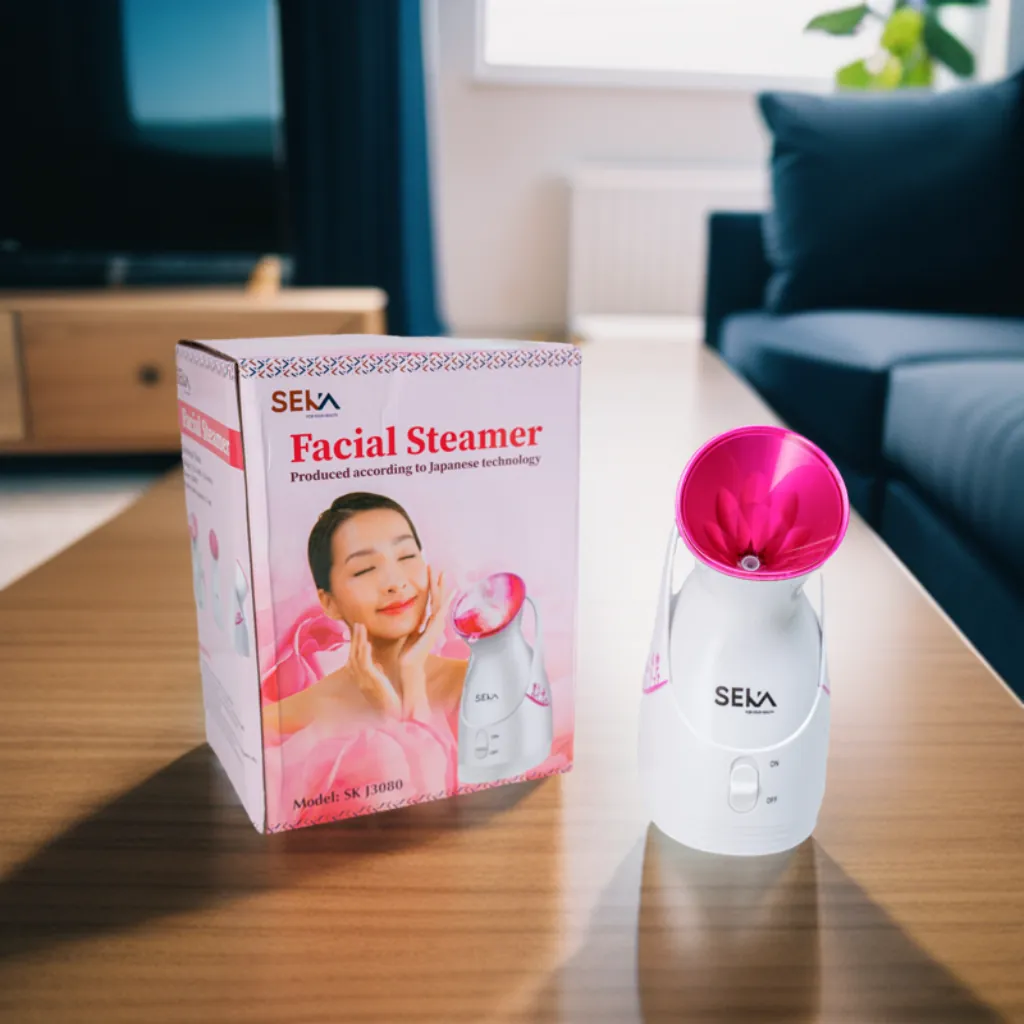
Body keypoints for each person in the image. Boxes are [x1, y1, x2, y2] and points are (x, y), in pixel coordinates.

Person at [267, 492, 467, 740]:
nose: (395, 583)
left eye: (406, 556)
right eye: (365, 569)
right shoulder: (287, 720)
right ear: (329, 602)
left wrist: (412, 676)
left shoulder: (479, 684)